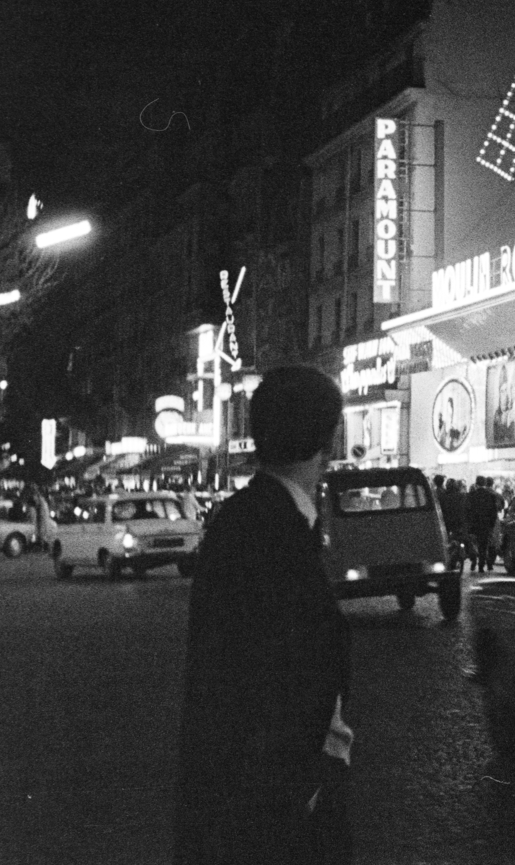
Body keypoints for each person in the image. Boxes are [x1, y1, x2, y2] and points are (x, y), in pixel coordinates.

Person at [174, 365, 352, 864]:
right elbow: (277, 676)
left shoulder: (245, 517)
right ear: (328, 442)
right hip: (275, 810)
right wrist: (306, 788)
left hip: (244, 797)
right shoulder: (277, 529)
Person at [466, 477, 499, 572]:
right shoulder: (491, 495)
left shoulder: (471, 495)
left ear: (476, 483)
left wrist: (469, 523)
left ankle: (473, 562)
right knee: (483, 545)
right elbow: (494, 512)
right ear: (485, 484)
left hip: (474, 524)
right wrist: (491, 525)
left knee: (473, 544)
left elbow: (468, 510)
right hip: (486, 524)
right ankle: (481, 565)